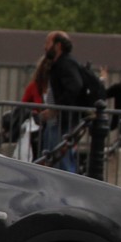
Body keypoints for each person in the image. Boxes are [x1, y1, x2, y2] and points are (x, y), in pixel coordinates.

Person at [42, 31, 86, 172]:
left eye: (48, 43)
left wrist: (56, 108)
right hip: (58, 121)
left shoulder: (65, 63)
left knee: (62, 161)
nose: (45, 47)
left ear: (58, 45)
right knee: (55, 160)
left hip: (62, 122)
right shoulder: (59, 64)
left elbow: (75, 86)